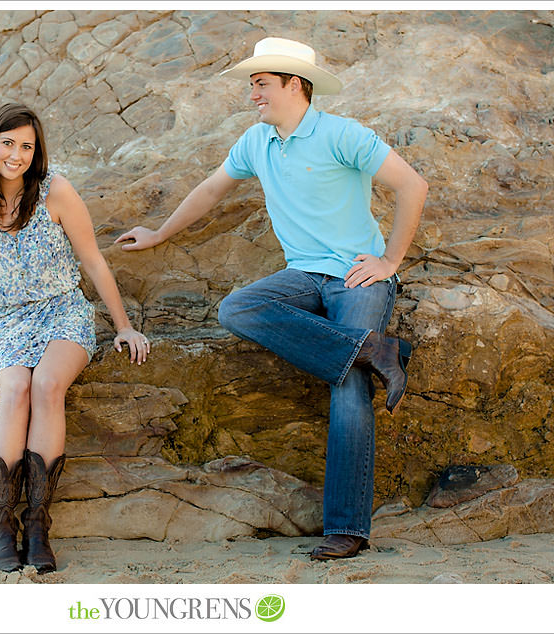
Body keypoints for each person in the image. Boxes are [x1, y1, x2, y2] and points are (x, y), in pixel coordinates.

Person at [116, 37, 427, 560]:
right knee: (236, 307)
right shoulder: (256, 142)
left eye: (261, 84)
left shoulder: (342, 134)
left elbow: (412, 186)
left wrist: (390, 262)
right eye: (252, 84)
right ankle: (374, 349)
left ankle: (347, 528)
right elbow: (212, 190)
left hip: (359, 276)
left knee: (349, 386)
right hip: (302, 276)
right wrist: (160, 233)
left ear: (294, 85)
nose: (253, 93)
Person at [0, 103, 150, 573]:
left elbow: (94, 260)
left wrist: (123, 325)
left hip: (63, 313)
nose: (16, 155)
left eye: (26, 146)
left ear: (36, 152)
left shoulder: (55, 192)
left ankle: (37, 525)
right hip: (2, 320)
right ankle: (2, 527)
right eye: (8, 143)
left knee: (46, 386)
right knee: (14, 389)